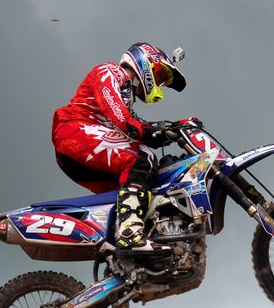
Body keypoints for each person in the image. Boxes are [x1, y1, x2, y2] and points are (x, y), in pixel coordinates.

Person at [51, 42, 186, 253]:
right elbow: (124, 120)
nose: (158, 85)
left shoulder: (126, 99)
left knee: (143, 184)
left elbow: (135, 125)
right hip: (75, 130)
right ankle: (129, 234)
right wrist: (150, 132)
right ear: (146, 62)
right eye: (159, 76)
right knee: (141, 156)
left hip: (83, 149)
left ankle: (121, 251)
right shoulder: (110, 71)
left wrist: (176, 128)